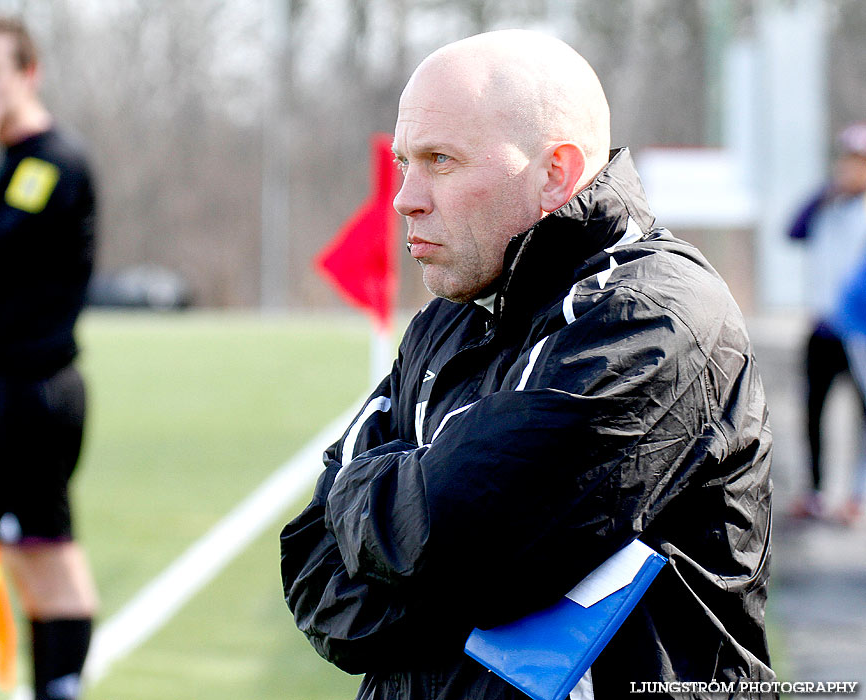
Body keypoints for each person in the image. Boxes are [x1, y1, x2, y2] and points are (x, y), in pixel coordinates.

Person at [281, 30, 775, 700]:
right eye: (405, 162)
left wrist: (364, 496)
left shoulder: (654, 316)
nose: (406, 197)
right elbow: (312, 568)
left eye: (441, 161)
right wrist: (413, 527)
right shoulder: (448, 316)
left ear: (555, 173)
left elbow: (458, 543)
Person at [0, 16, 97, 700]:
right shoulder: (5, 162)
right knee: (21, 553)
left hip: (32, 393)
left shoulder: (47, 163)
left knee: (46, 554)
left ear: (26, 74)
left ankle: (60, 688)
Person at [787, 122, 866, 521]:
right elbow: (793, 230)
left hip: (862, 331)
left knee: (862, 416)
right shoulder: (828, 206)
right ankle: (815, 492)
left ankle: (856, 496)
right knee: (813, 411)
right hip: (823, 326)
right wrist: (825, 191)